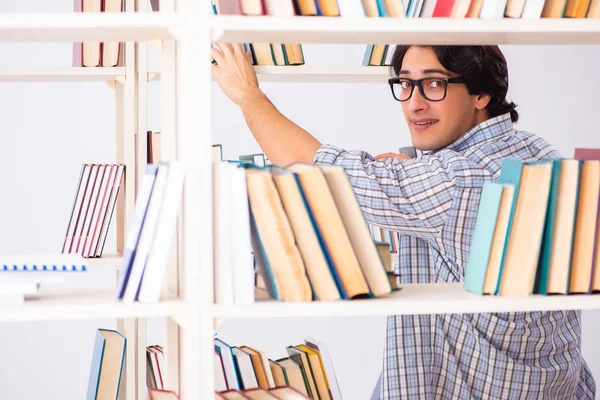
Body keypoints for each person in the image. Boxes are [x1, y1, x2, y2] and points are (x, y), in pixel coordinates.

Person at [211, 43, 596, 399]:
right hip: (552, 381)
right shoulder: (532, 148)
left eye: (434, 84)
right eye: (406, 84)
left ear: (483, 94)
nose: (414, 104)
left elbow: (308, 166)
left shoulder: (455, 181)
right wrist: (415, 174)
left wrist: (247, 95)